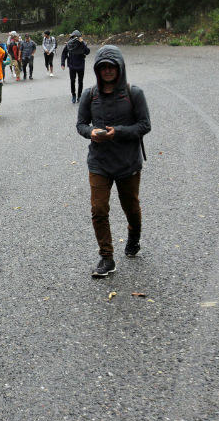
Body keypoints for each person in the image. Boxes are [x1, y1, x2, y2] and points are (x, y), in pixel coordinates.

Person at [75, 45, 152, 278]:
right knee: (98, 209)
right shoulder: (90, 95)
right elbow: (80, 125)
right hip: (99, 163)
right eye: (103, 67)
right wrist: (92, 133)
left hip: (128, 163)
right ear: (97, 70)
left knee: (131, 208)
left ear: (120, 68)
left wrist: (116, 131)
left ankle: (133, 235)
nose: (107, 71)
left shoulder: (133, 93)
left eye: (111, 67)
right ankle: (106, 257)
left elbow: (144, 125)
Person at [61, 30, 91, 103]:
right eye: (73, 37)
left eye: (77, 37)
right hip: (72, 65)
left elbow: (87, 52)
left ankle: (79, 96)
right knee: (72, 81)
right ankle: (73, 95)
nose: (75, 39)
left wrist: (82, 43)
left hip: (81, 65)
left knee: (80, 81)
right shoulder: (69, 44)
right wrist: (62, 63)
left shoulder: (82, 44)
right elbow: (64, 53)